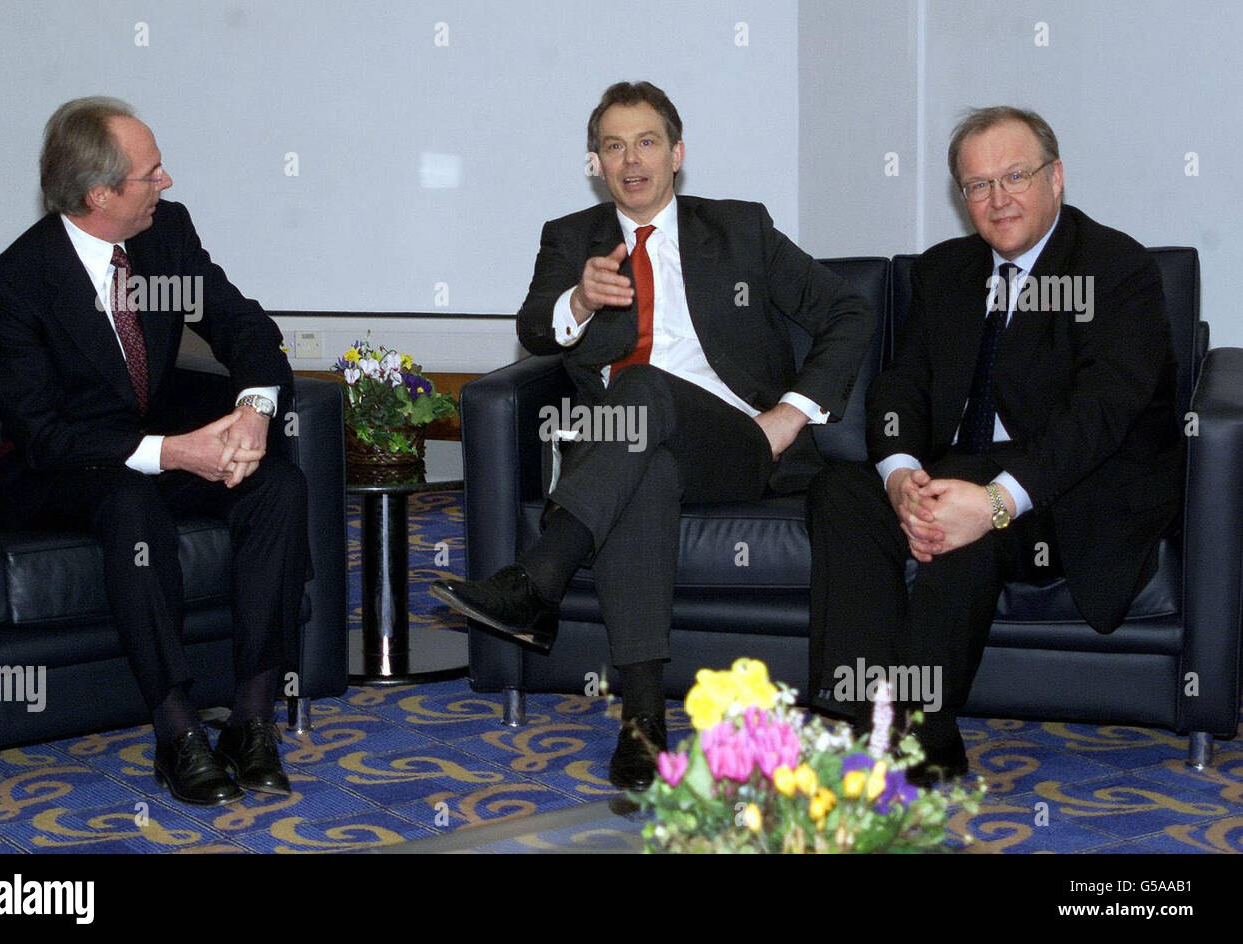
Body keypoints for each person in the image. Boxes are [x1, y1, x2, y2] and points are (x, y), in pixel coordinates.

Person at [433, 81, 874, 790]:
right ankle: (642, 726)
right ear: (595, 163)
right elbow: (534, 330)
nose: (630, 160)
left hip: (738, 445)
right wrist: (578, 299)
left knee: (637, 383)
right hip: (631, 449)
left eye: (646, 142)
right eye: (613, 146)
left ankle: (538, 579)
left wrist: (790, 415)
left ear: (677, 154)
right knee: (648, 466)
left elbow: (848, 312)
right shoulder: (571, 239)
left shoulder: (740, 229)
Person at [806, 106, 1182, 785]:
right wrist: (899, 474)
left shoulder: (1115, 269)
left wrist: (994, 501)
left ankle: (918, 731)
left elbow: (1099, 417)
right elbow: (901, 386)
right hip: (956, 476)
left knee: (967, 504)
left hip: (1069, 489)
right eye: (977, 185)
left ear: (1056, 177)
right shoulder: (947, 271)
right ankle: (868, 714)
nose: (997, 198)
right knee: (843, 491)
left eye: (1015, 176)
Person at [0, 97, 309, 806]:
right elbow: (44, 433)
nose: (168, 182)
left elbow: (243, 324)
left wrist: (253, 410)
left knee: (275, 482)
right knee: (130, 501)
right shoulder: (13, 285)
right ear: (100, 194)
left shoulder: (164, 237)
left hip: (158, 443)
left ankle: (252, 718)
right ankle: (177, 728)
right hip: (60, 470)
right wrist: (171, 452)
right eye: (151, 173)